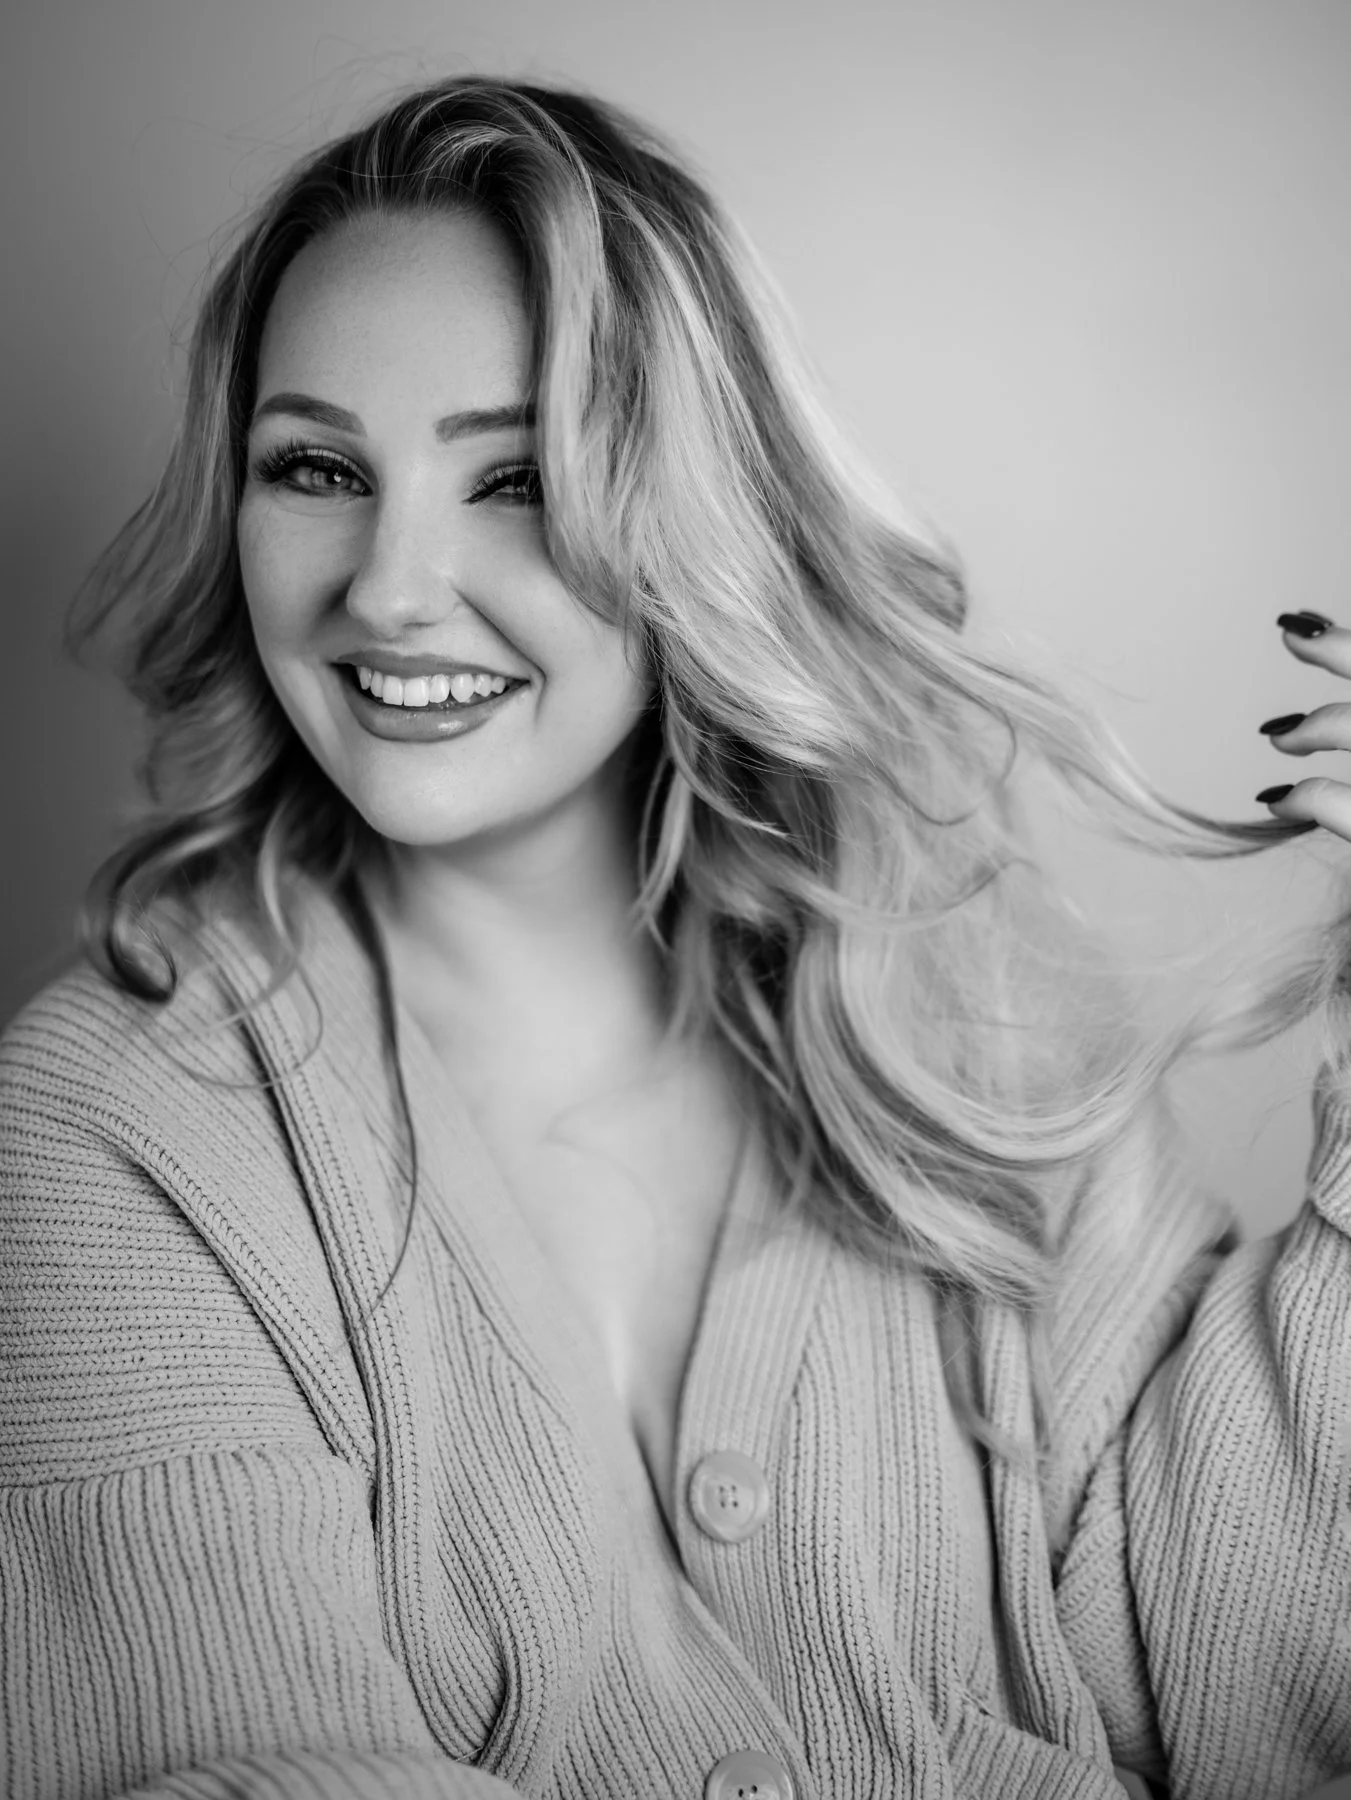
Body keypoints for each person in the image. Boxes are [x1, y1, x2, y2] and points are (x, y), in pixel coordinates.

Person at [0, 74, 1346, 1800]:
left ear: (696, 514)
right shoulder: (110, 1135)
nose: (388, 586)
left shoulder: (975, 1024)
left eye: (517, 475)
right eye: (317, 468)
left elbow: (1240, 1693)